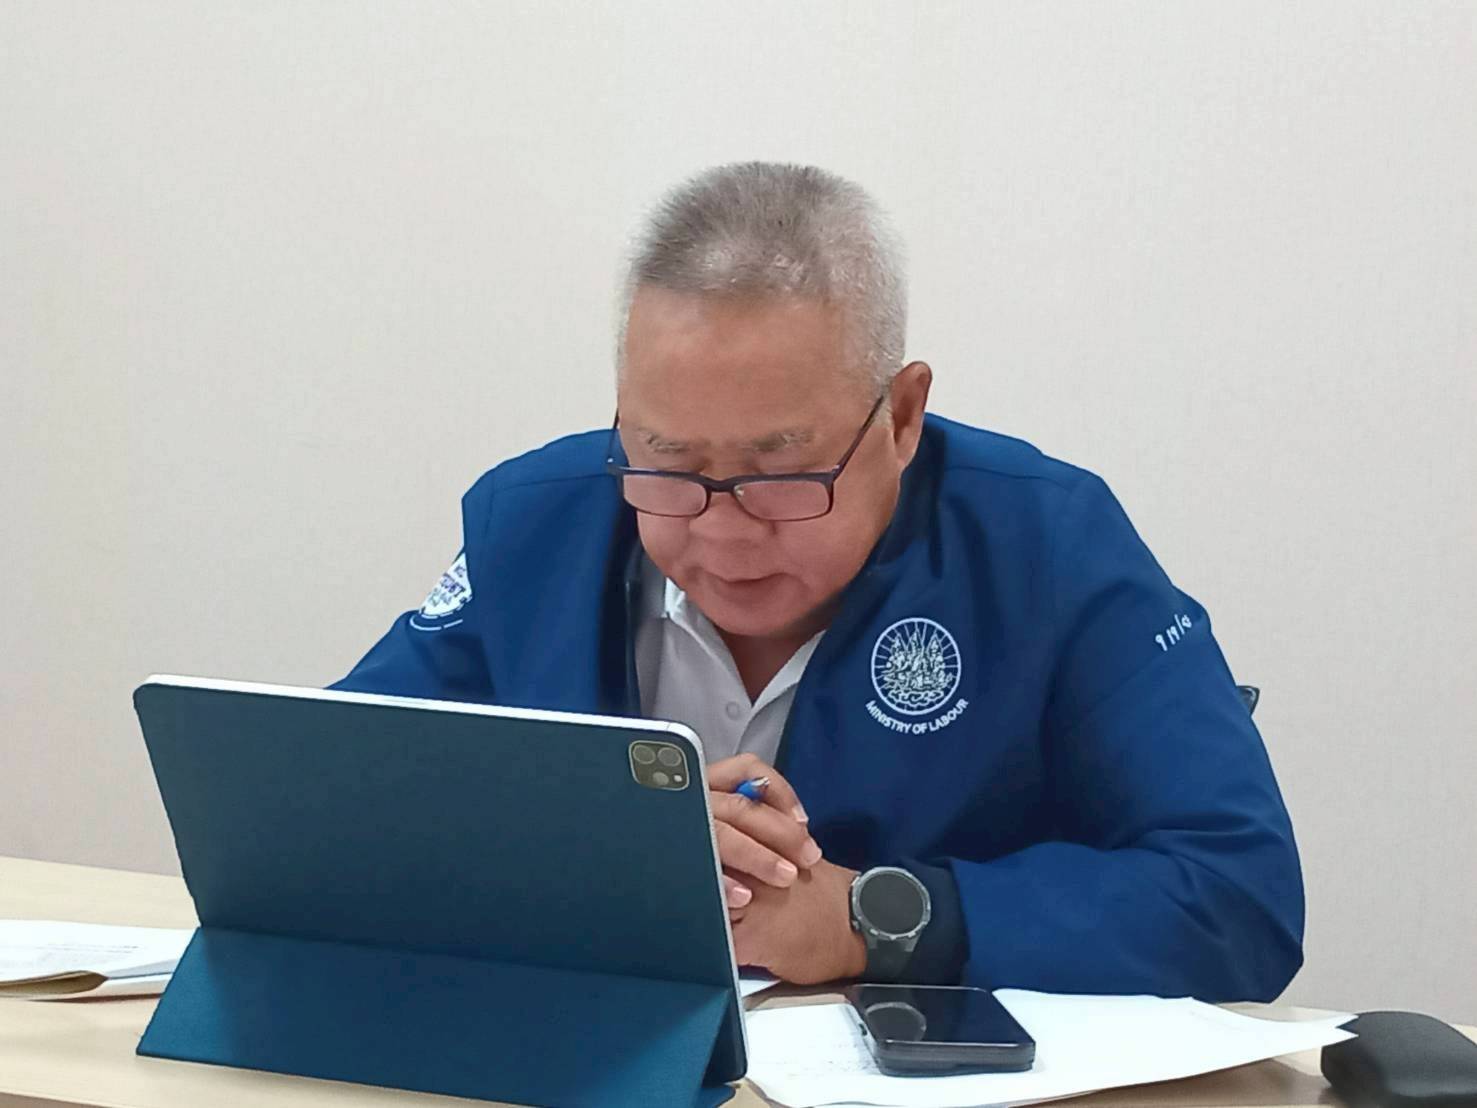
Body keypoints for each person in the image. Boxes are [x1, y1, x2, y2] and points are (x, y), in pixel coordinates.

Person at [332, 161, 1304, 999]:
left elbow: (1238, 896)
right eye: (667, 463)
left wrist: (872, 918)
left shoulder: (1046, 544)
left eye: (779, 475)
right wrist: (590, 841)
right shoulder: (532, 524)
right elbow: (327, 806)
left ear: (903, 417)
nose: (722, 532)